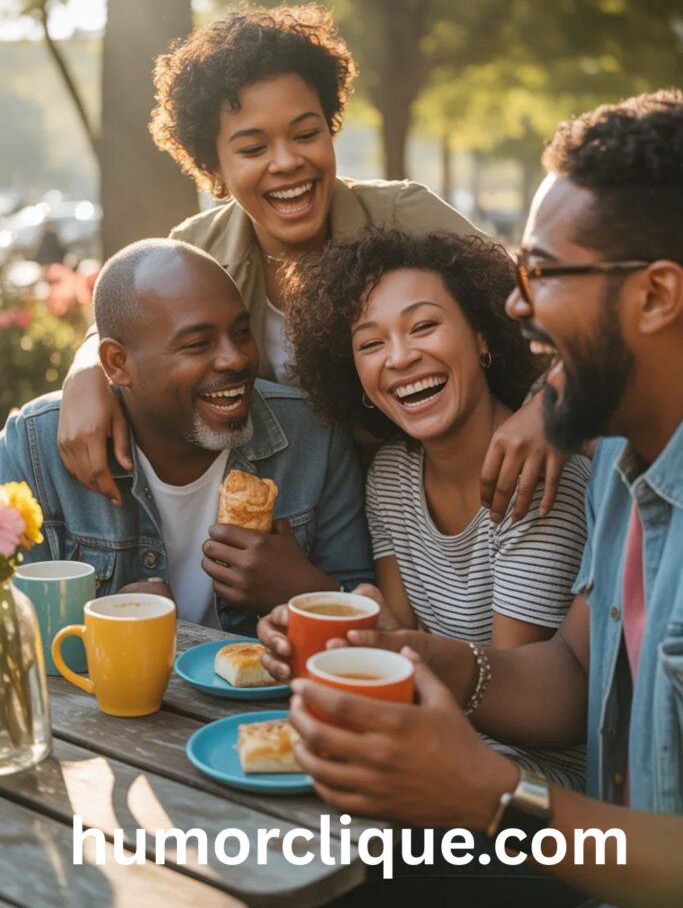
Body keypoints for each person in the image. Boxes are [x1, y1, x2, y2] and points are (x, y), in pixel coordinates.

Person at [258, 89, 683, 906]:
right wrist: (428, 659)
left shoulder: (567, 475)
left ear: (657, 296)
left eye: (545, 273)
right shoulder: (629, 472)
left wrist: (491, 797)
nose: (520, 303)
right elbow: (569, 672)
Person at [57, 3, 564, 524]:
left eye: (306, 134)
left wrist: (546, 410)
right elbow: (122, 330)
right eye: (253, 147)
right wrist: (85, 372)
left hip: (440, 507)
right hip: (294, 523)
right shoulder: (199, 248)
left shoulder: (402, 215)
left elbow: (553, 305)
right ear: (214, 165)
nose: (287, 161)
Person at [282, 226, 588, 788]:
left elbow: (514, 707)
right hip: (435, 747)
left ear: (482, 338)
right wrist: (355, 620)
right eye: (370, 343)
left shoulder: (540, 477)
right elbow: (404, 644)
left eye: (424, 326)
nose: (400, 357)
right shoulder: (392, 477)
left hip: (529, 782)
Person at [0, 239, 373, 635]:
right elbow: (12, 633)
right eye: (198, 344)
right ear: (117, 363)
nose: (236, 359)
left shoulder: (312, 433)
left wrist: (304, 592)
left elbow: (367, 616)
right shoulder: (33, 451)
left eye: (242, 332)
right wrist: (111, 626)